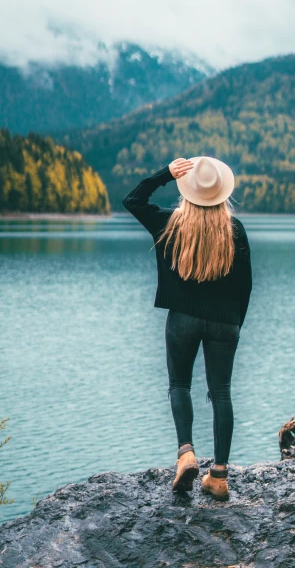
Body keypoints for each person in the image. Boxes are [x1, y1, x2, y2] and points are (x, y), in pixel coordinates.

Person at [122, 156, 253, 501]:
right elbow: (246, 287)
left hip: (182, 318)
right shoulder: (234, 230)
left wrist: (165, 174)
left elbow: (133, 201)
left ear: (188, 192)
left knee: (179, 384)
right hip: (226, 322)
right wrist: (235, 326)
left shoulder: (170, 224)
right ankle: (220, 476)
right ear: (222, 195)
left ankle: (186, 455)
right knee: (221, 393)